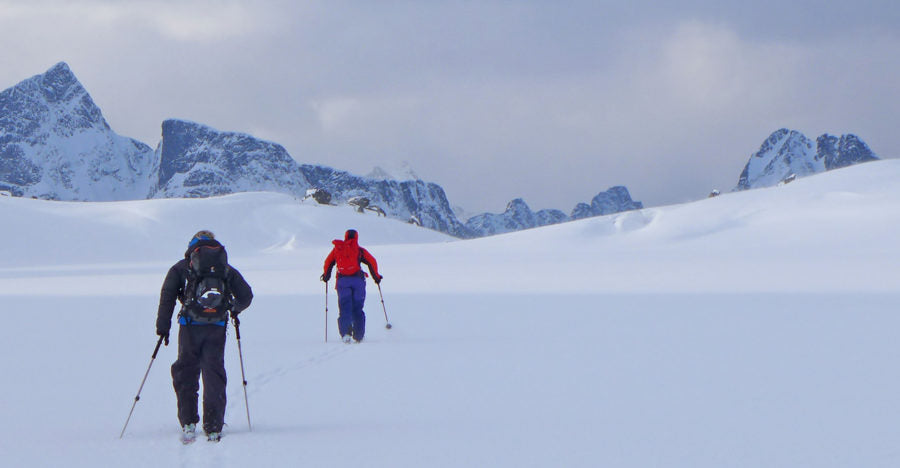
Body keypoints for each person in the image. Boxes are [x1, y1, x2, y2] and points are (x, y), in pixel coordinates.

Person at [156, 230, 253, 443]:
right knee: (214, 372)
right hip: (216, 327)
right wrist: (232, 309)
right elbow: (246, 295)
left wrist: (163, 326)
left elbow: (168, 296)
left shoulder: (181, 268)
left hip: (189, 327)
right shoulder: (224, 268)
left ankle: (188, 421)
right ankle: (213, 426)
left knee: (186, 371)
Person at [320, 229, 382, 343]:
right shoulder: (359, 250)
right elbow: (371, 262)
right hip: (358, 281)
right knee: (358, 308)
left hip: (343, 281)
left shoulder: (337, 249)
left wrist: (326, 276)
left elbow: (328, 262)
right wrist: (376, 277)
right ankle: (358, 336)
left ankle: (346, 334)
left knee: (344, 308)